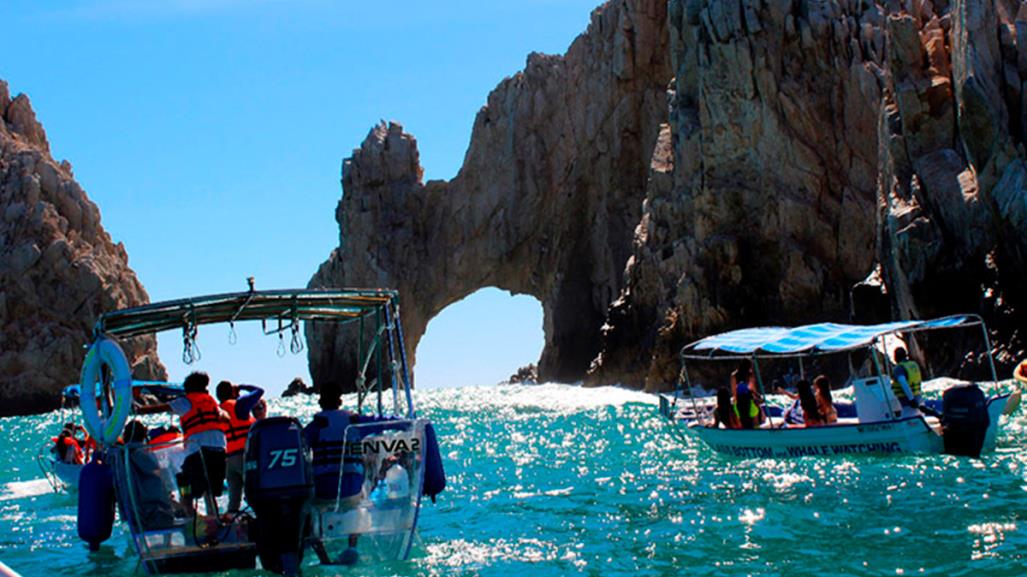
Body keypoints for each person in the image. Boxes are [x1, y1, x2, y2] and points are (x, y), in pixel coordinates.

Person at [304, 381, 362, 565]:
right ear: (340, 400)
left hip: (324, 490)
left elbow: (300, 446)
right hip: (351, 489)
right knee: (358, 504)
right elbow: (379, 425)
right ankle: (352, 546)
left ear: (321, 402)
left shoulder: (316, 426)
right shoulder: (354, 421)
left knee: (310, 512)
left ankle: (324, 558)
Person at [166, 372, 229, 514]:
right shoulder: (211, 402)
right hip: (219, 452)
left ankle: (188, 512)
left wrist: (139, 409)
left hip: (199, 453)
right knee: (210, 490)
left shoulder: (186, 401)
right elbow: (226, 417)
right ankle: (213, 517)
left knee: (183, 481)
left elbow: (162, 408)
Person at [216, 380, 265, 513]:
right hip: (245, 456)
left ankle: (233, 524)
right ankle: (261, 520)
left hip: (229, 460)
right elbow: (259, 391)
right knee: (255, 492)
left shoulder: (218, 410)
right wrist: (242, 386)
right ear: (233, 392)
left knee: (234, 500)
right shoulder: (239, 405)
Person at [122, 420, 177, 530]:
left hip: (136, 513)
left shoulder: (123, 455)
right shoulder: (140, 453)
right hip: (155, 510)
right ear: (143, 435)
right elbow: (158, 473)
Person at [891, 347, 924, 416]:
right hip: (919, 398)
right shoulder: (913, 364)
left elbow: (904, 384)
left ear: (895, 357)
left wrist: (911, 399)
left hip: (908, 402)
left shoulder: (899, 368)